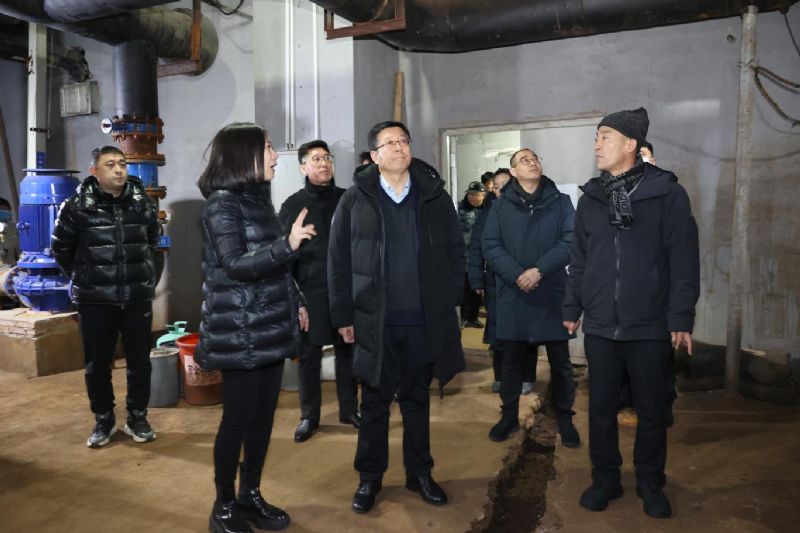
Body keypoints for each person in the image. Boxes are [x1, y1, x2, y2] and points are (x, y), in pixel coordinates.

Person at [563, 108, 699, 519]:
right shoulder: (591, 198)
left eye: (605, 136)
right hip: (602, 325)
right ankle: (605, 479)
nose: (597, 144)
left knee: (652, 411)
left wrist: (680, 317)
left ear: (631, 144)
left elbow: (683, 258)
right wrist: (572, 307)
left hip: (649, 323)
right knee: (601, 409)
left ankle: (650, 481)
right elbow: (579, 259)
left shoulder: (666, 193)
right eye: (596, 137)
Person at [328, 120, 465, 514]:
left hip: (422, 320)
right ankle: (369, 478)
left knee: (417, 401)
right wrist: (343, 315)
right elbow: (337, 261)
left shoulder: (434, 196)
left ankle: (419, 473)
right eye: (389, 143)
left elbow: (455, 251)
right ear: (374, 155)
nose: (399, 147)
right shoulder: (355, 199)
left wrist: (448, 300)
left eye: (403, 140)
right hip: (376, 321)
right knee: (374, 403)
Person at [195, 123, 316, 533]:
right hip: (239, 330)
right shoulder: (221, 205)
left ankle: (250, 494)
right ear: (243, 154)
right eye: (267, 147)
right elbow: (235, 264)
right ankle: (224, 505)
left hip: (268, 325)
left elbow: (273, 264)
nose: (275, 155)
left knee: (263, 418)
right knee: (238, 420)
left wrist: (297, 299)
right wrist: (288, 244)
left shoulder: (258, 199)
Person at [52, 145, 160, 449]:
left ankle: (137, 416)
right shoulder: (76, 207)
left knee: (140, 362)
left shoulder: (141, 203)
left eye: (122, 163)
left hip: (136, 298)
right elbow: (61, 249)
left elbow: (152, 241)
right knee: (97, 365)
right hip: (95, 301)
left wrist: (143, 277)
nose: (118, 169)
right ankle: (104, 419)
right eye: (110, 164)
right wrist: (85, 278)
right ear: (94, 171)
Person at [482, 149, 580, 447]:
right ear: (513, 172)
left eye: (535, 158)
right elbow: (490, 246)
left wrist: (539, 270)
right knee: (511, 363)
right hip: (515, 294)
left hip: (551, 293)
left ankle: (565, 417)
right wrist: (517, 275)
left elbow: (571, 240)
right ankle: (509, 416)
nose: (532, 162)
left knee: (561, 363)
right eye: (523, 160)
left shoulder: (561, 202)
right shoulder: (500, 207)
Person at [278, 139, 360, 443]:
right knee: (309, 355)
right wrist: (295, 299)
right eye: (316, 159)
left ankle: (349, 409)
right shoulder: (293, 205)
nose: (324, 163)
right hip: (310, 291)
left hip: (346, 289)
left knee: (347, 351)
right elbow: (283, 254)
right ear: (303, 168)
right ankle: (309, 416)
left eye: (327, 158)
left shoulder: (349, 199)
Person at [468, 168, 536, 395]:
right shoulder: (487, 212)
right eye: (496, 187)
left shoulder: (529, 208)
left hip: (524, 279)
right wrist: (476, 278)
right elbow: (476, 247)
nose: (501, 190)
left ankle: (526, 377)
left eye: (505, 185)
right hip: (495, 281)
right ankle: (501, 377)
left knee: (524, 330)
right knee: (498, 329)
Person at [458, 180, 486, 328]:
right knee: (463, 288)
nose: (473, 197)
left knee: (477, 288)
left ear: (483, 195)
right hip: (462, 256)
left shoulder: (487, 211)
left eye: (476, 194)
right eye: (470, 194)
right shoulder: (459, 209)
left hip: (480, 256)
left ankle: (473, 317)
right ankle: (463, 317)